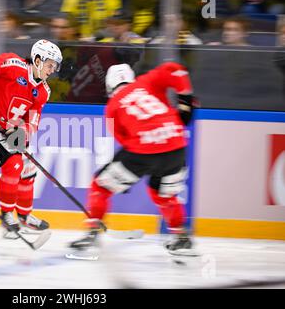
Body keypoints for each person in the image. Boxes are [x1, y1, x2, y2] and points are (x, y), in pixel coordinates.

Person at [69, 62, 199, 256]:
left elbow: (124, 140)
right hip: (176, 147)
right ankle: (181, 236)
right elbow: (175, 69)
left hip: (143, 150)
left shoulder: (111, 107)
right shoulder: (146, 82)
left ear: (109, 86)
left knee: (100, 186)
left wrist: (126, 174)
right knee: (163, 194)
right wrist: (186, 100)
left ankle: (92, 233)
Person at [0, 39, 62, 238]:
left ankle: (25, 216)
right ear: (37, 60)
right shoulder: (12, 65)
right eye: (50, 64)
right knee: (13, 164)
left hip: (7, 131)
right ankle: (8, 217)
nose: (52, 70)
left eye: (55, 66)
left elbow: (33, 122)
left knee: (28, 168)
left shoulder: (43, 91)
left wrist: (22, 131)